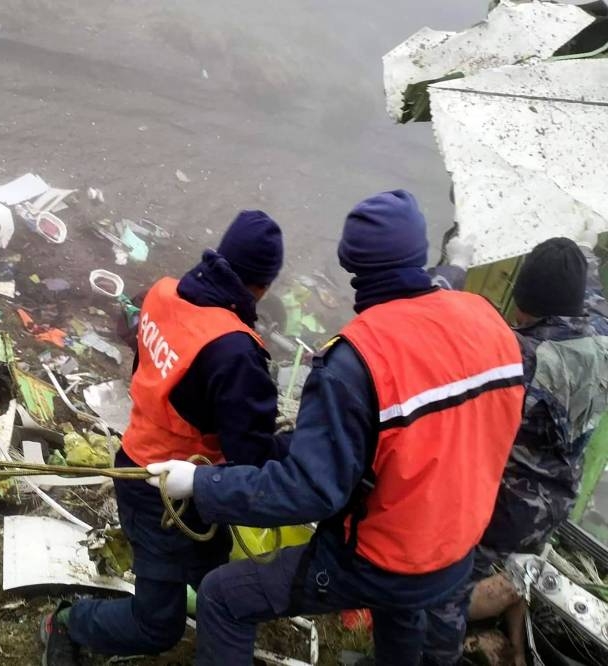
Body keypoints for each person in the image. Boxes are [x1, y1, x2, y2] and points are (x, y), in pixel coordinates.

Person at [146, 191, 526, 665]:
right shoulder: (490, 322)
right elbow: (428, 431)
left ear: (354, 270)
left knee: (225, 596)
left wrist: (202, 483)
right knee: (402, 623)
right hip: (454, 551)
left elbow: (309, 493)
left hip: (379, 560)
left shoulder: (356, 359)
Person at [41, 210, 290, 665]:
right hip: (167, 498)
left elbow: (144, 354)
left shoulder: (163, 291)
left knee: (215, 578)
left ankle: (220, 643)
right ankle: (68, 621)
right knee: (157, 625)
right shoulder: (235, 350)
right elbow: (251, 458)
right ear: (265, 285)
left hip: (139, 460)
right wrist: (298, 446)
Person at [423, 235, 608, 666]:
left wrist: (455, 267)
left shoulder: (518, 357)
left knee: (441, 596)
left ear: (520, 301)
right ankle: (514, 634)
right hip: (558, 499)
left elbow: (435, 321)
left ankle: (438, 648)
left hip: (506, 507)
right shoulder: (599, 337)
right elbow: (591, 293)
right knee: (505, 561)